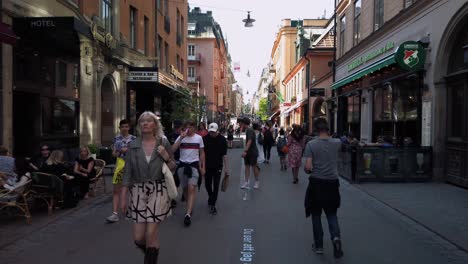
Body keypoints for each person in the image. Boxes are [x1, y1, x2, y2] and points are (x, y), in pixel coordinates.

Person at [120, 111, 174, 263]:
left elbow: (173, 166)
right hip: (138, 191)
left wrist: (166, 157)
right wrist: (123, 198)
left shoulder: (163, 143)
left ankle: (151, 256)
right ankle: (152, 250)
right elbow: (127, 172)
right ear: (139, 126)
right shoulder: (133, 145)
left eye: (148, 121)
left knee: (151, 234)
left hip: (158, 190)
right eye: (142, 121)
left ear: (155, 125)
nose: (145, 123)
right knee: (138, 238)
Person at [304, 118, 344, 258]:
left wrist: (307, 170)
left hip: (317, 183)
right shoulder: (337, 143)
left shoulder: (311, 144)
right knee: (331, 214)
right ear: (327, 129)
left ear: (315, 129)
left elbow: (308, 167)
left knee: (316, 215)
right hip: (332, 183)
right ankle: (336, 238)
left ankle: (319, 245)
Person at [172, 121, 206, 226]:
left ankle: (187, 214)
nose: (189, 129)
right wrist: (181, 138)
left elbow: (202, 153)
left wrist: (202, 166)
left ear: (194, 128)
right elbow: (172, 150)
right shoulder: (181, 137)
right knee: (185, 189)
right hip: (183, 166)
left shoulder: (199, 138)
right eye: (187, 127)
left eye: (191, 127)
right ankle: (189, 207)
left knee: (192, 188)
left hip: (194, 166)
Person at [106, 119, 137, 223]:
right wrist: (119, 151)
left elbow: (138, 154)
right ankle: (115, 213)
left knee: (132, 189)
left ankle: (131, 210)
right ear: (119, 128)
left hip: (131, 165)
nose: (124, 128)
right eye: (122, 126)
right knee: (116, 190)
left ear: (129, 127)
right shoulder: (116, 139)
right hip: (120, 164)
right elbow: (113, 154)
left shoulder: (134, 139)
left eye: (126, 126)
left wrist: (128, 150)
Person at [202, 123, 229, 215]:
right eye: (210, 132)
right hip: (207, 166)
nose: (211, 134)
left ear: (217, 131)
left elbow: (225, 155)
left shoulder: (222, 140)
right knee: (207, 184)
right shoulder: (204, 139)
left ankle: (213, 205)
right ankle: (211, 196)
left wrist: (226, 168)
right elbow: (201, 154)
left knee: (216, 185)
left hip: (218, 166)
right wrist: (201, 166)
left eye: (213, 132)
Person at [240, 117, 260, 189]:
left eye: (241, 123)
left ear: (244, 123)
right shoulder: (248, 130)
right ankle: (246, 182)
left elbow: (249, 141)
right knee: (247, 167)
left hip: (252, 152)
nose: (240, 124)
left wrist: (245, 151)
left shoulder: (249, 130)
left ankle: (257, 181)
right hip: (250, 152)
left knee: (254, 167)